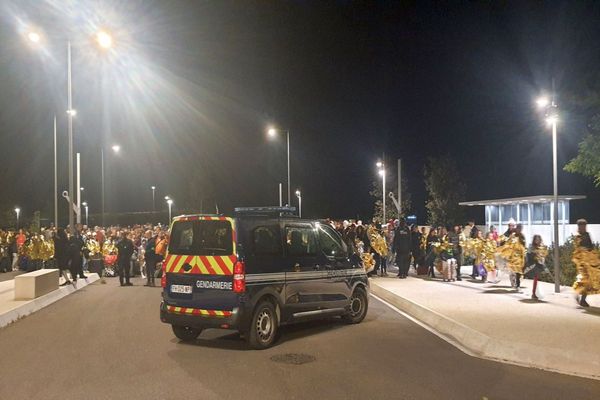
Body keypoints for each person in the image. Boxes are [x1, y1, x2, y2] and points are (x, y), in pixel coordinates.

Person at [572, 219, 599, 307]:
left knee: (589, 281)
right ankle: (578, 295)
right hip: (582, 263)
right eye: (582, 226)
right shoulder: (577, 237)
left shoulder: (587, 235)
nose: (584, 228)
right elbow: (577, 250)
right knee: (584, 280)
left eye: (585, 226)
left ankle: (583, 299)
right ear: (579, 226)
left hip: (589, 262)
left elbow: (591, 247)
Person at [524, 235, 548, 301]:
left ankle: (535, 293)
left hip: (539, 264)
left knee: (537, 279)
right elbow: (528, 255)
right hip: (533, 265)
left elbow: (543, 256)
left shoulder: (542, 247)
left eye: (538, 239)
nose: (537, 241)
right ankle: (534, 293)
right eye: (536, 239)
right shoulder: (531, 247)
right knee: (536, 278)